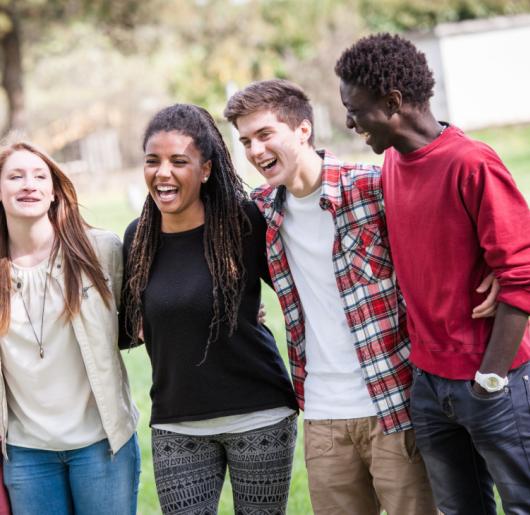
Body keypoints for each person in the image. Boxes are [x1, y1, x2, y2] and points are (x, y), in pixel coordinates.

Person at [224, 79, 499, 515]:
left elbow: (448, 227)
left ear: (302, 130)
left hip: (393, 405)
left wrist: (496, 270)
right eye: (245, 141)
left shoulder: (372, 187)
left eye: (264, 135)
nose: (255, 151)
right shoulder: (260, 211)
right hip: (320, 416)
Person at [335, 33, 530, 515]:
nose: (348, 121)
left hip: (492, 381)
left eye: (354, 109)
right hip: (429, 385)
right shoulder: (393, 167)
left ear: (393, 102)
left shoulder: (471, 162)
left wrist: (490, 379)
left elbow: (522, 273)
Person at [120, 104, 299, 515]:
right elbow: (128, 325)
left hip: (258, 414)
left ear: (205, 170)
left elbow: (300, 289)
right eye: (153, 161)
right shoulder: (138, 238)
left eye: (179, 161)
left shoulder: (244, 223)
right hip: (176, 420)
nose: (163, 173)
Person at [0, 141, 140, 515]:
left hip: (102, 444)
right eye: (15, 176)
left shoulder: (100, 250)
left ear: (53, 192)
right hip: (26, 453)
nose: (28, 184)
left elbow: (142, 318)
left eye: (39, 176)